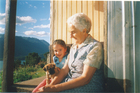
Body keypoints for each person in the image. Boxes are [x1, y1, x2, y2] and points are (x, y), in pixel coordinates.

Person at [37, 13, 104, 92]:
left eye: (73, 32)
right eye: (70, 32)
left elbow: (85, 79)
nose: (70, 36)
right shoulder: (74, 46)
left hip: (87, 87)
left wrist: (54, 88)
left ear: (84, 30)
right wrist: (50, 86)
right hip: (70, 82)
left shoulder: (94, 46)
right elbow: (65, 70)